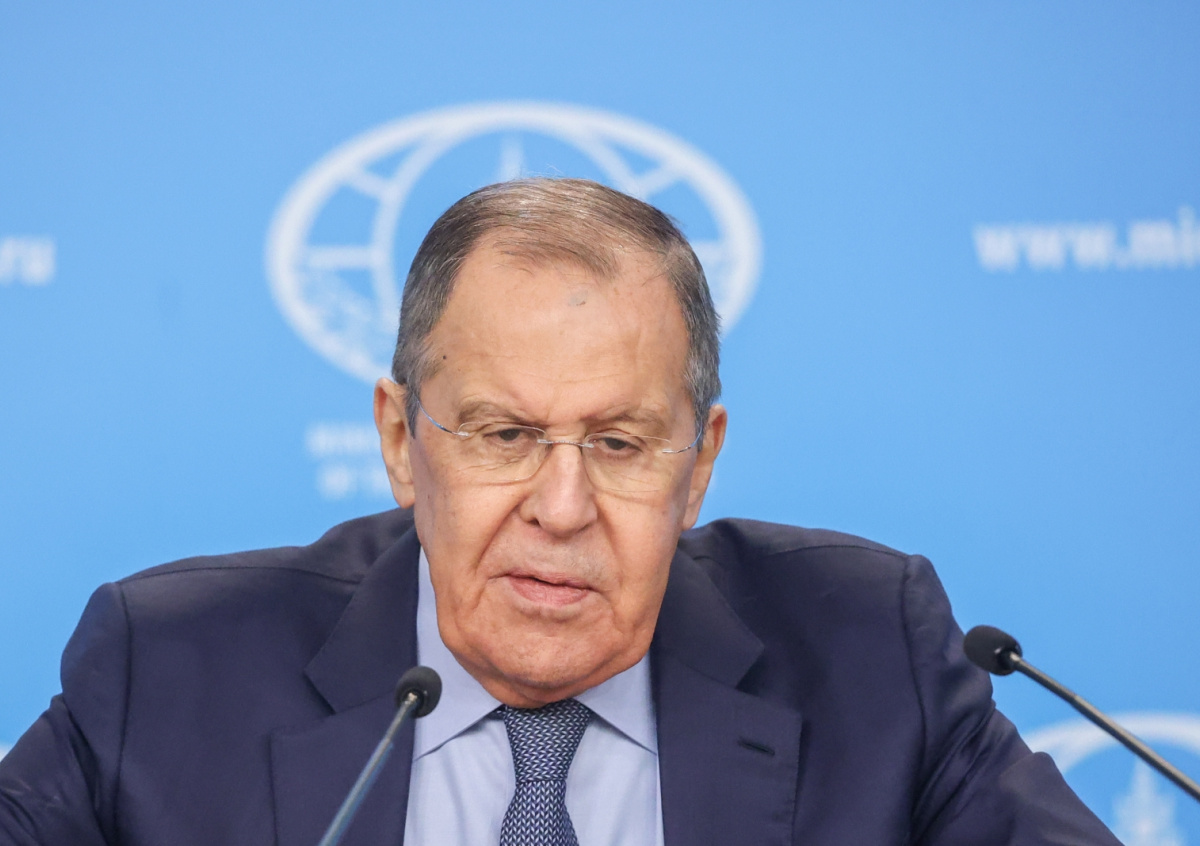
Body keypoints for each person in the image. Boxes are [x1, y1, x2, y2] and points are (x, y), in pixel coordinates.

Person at [0, 178, 1120, 845]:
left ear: (700, 464)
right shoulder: (168, 674)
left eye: (620, 444)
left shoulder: (872, 655)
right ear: (398, 440)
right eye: (504, 436)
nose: (563, 506)